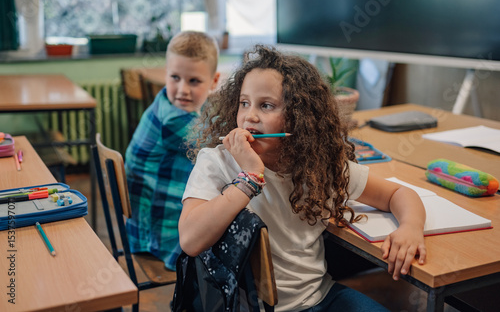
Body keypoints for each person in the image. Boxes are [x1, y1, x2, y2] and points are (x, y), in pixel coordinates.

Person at [178, 45, 427, 311]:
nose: (250, 116)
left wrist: (410, 227)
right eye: (244, 103)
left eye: (266, 105)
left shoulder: (319, 166)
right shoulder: (217, 161)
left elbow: (397, 194)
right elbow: (191, 240)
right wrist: (249, 178)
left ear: (299, 118)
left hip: (321, 297)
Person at [125, 31, 220, 271]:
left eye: (194, 81)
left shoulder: (166, 104)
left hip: (148, 223)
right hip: (159, 234)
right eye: (175, 78)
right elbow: (223, 151)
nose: (182, 90)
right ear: (165, 75)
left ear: (214, 81)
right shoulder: (173, 120)